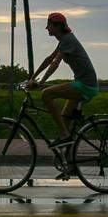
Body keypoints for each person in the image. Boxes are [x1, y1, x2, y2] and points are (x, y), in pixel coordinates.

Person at [25, 12, 99, 148]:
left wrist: (40, 84)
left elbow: (55, 63)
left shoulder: (67, 40)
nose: (46, 28)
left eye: (49, 25)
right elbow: (49, 59)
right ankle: (70, 163)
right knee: (64, 123)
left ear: (58, 26)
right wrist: (32, 78)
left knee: (46, 94)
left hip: (85, 86)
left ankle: (65, 135)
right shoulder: (64, 40)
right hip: (83, 84)